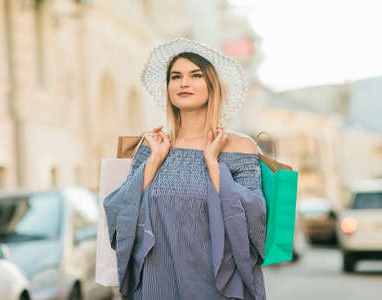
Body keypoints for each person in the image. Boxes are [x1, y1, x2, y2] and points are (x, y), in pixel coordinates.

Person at [103, 38, 266, 300]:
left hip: (215, 285)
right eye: (175, 76)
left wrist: (214, 164)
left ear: (212, 86)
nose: (183, 83)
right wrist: (154, 161)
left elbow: (255, 220)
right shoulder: (152, 146)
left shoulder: (240, 146)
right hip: (158, 284)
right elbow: (118, 212)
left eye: (195, 75)